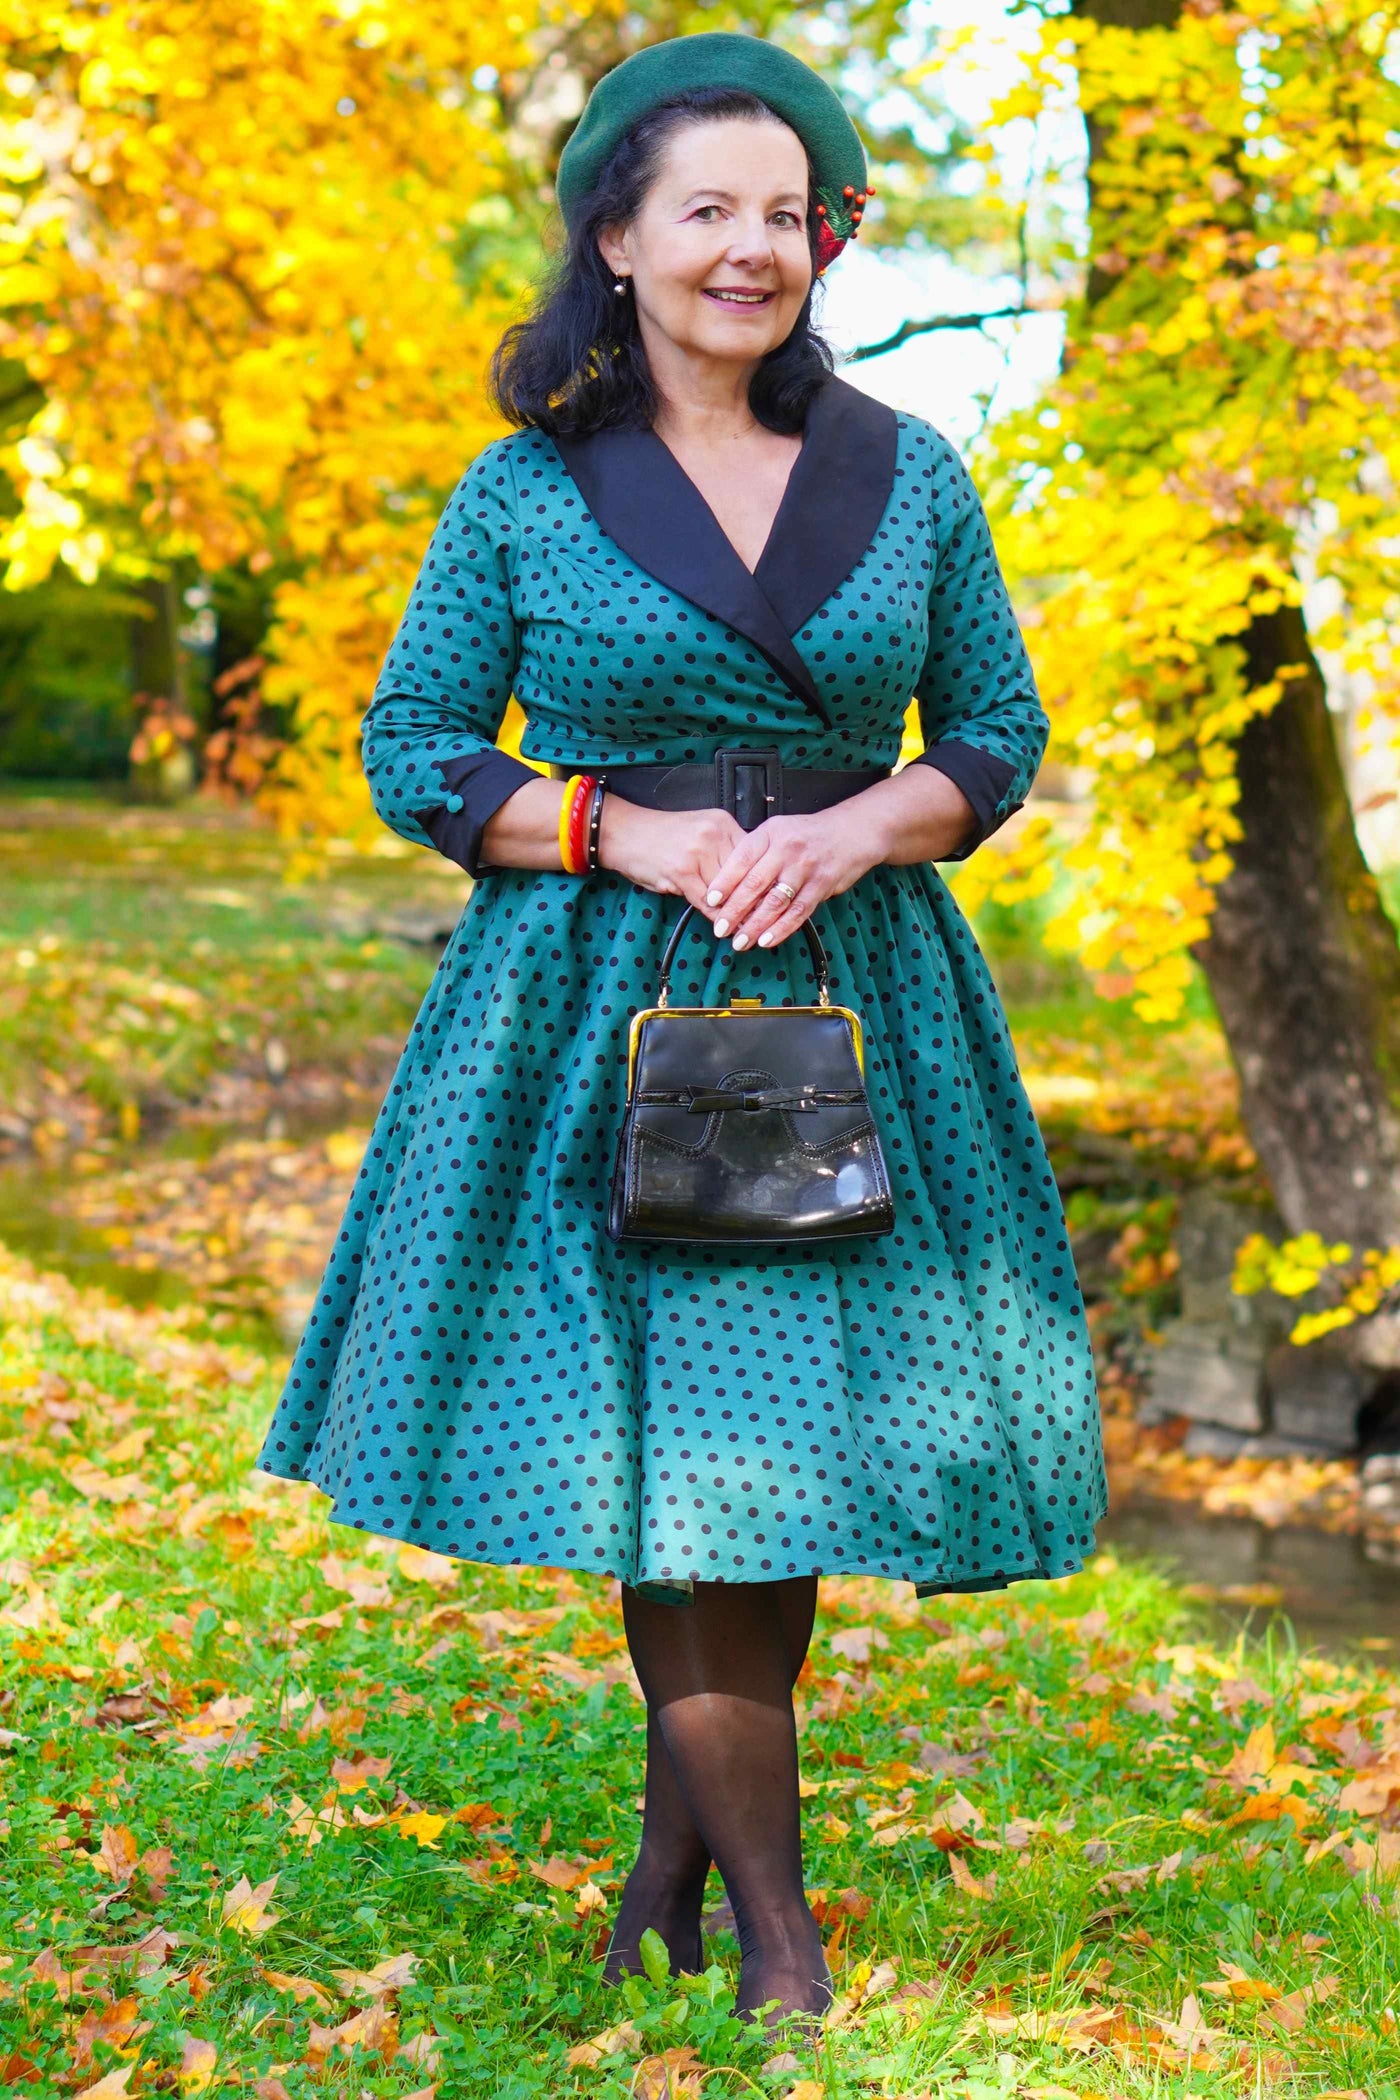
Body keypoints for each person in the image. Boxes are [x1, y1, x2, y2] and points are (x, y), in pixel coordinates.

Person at [253, 30, 1108, 2031]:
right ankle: (784, 1954)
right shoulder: (526, 487)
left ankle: (669, 1881)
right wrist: (625, 829)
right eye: (702, 210)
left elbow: (993, 733)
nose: (750, 247)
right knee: (685, 1454)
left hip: (847, 990)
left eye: (782, 212)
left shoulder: (912, 473)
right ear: (617, 242)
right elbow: (413, 749)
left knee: (769, 1448)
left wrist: (842, 832)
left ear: (826, 240)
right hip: (588, 1010)